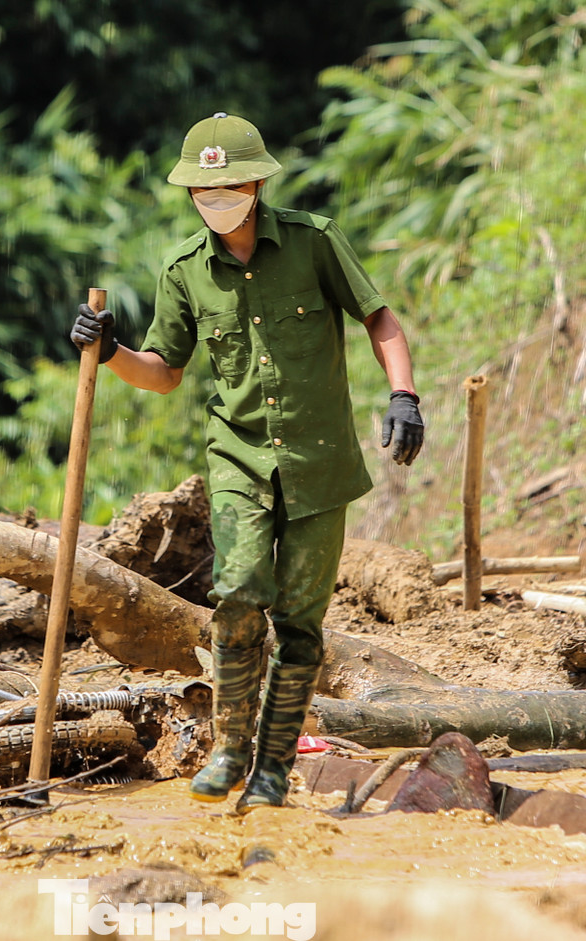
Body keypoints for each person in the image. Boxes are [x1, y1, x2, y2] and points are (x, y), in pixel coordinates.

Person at [71, 112, 424, 813]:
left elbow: (378, 317)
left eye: (229, 183)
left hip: (319, 464)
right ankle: (231, 745)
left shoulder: (314, 244)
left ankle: (273, 762)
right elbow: (164, 370)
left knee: (299, 623)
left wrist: (404, 394)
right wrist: (109, 351)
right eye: (204, 188)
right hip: (238, 459)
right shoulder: (184, 272)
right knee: (236, 599)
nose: (217, 197)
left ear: (257, 182)